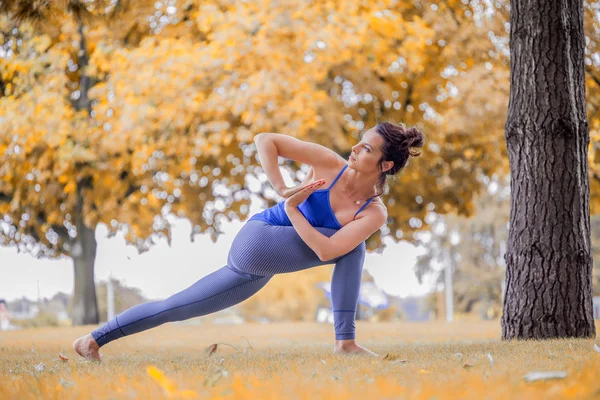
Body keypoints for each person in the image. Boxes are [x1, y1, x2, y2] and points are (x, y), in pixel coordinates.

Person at [73, 121, 425, 361]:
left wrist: (295, 211)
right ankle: (345, 342)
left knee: (177, 307)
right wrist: (282, 192)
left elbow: (326, 250)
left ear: (385, 164)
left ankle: (92, 341)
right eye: (359, 142)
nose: (354, 148)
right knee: (354, 246)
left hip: (259, 265)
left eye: (365, 148)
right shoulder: (328, 164)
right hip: (260, 239)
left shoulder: (373, 213)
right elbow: (265, 140)